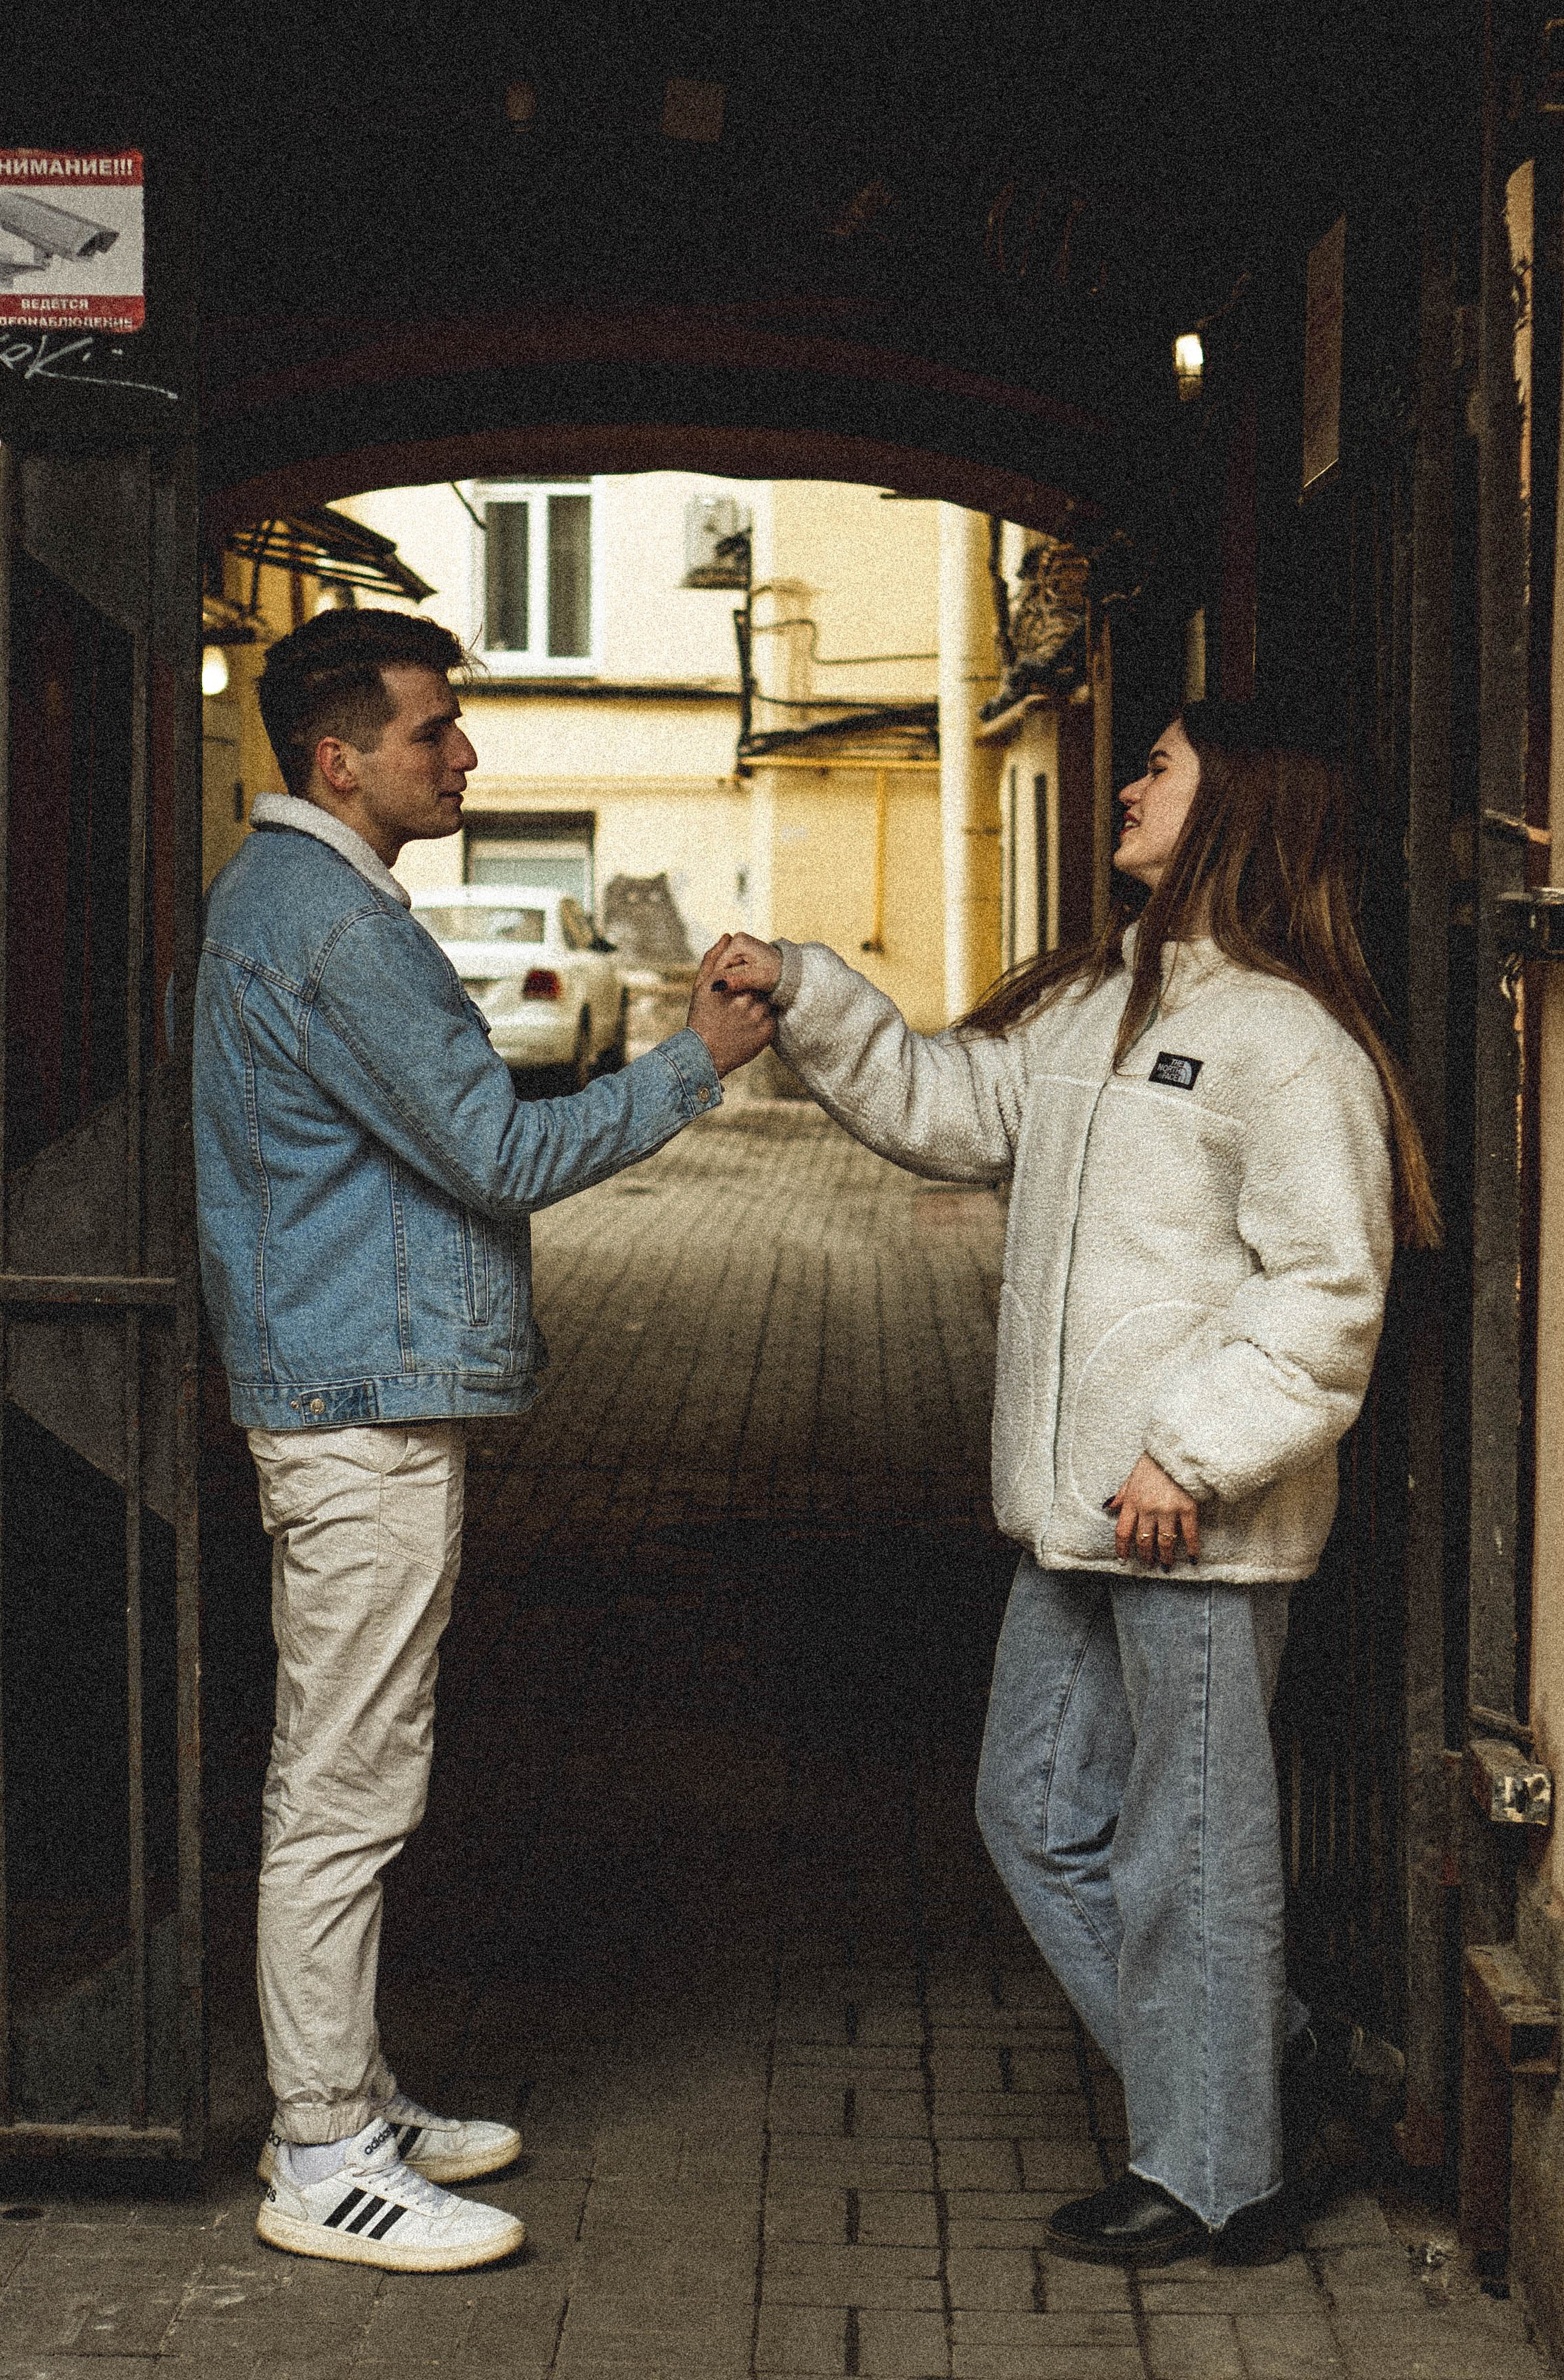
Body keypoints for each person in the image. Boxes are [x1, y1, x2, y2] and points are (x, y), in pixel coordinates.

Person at [712, 696, 1438, 2267]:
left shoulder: (1283, 1039)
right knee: (1033, 1814)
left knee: (1188, 1854)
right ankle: (1280, 2067)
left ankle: (1219, 2173)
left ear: (1236, 807)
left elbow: (1325, 1291)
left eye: (1157, 768)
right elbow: (949, 1107)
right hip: (1073, 1517)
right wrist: (807, 991)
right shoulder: (1106, 1004)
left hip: (1188, 1521)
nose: (1124, 783)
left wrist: (1188, 1449)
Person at [194, 607, 772, 2273]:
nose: (465, 755)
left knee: (354, 1757)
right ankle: (320, 2156)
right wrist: (694, 1062)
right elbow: (497, 1158)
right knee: (347, 1779)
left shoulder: (290, 898)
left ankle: (352, 2095)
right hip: (357, 1404)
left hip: (348, 1384)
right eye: (435, 732)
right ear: (340, 759)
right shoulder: (337, 930)